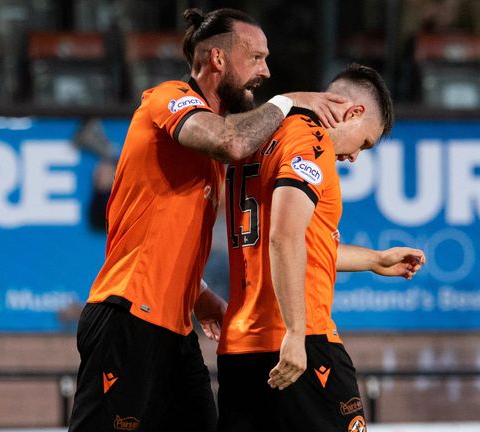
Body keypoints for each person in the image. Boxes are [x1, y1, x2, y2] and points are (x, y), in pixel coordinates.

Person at [68, 7, 350, 432]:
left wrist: (199, 296)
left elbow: (163, 232)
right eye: (256, 58)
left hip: (175, 329)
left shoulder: (208, 147)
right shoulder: (167, 97)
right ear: (217, 58)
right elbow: (233, 141)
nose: (266, 71)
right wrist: (289, 102)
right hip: (128, 317)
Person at [217, 64, 425, 432]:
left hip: (240, 349)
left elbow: (292, 245)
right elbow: (285, 238)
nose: (355, 156)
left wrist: (375, 260)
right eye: (364, 142)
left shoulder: (257, 139)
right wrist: (296, 334)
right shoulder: (310, 140)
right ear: (352, 113)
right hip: (300, 343)